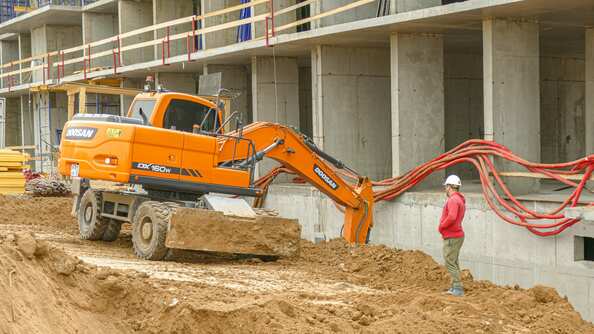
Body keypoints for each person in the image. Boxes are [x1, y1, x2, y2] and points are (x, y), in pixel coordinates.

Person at [439, 174, 466, 297]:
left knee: (449, 261)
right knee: (454, 261)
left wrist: (442, 226)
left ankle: (458, 288)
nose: (445, 189)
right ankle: (455, 286)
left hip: (452, 236)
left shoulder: (453, 200)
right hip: (456, 235)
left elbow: (451, 217)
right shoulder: (459, 199)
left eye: (446, 186)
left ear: (450, 187)